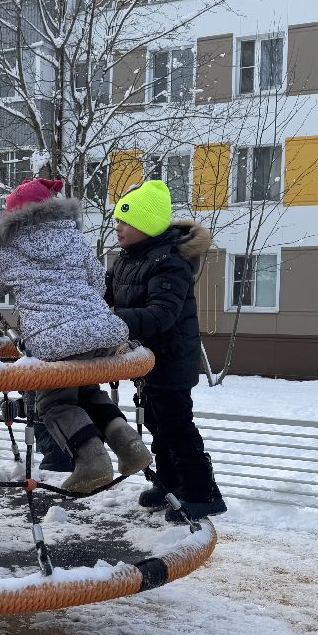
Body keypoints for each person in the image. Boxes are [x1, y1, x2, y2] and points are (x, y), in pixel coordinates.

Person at [0, 177, 154, 493]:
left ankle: (91, 462)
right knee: (86, 392)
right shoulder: (75, 239)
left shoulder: (9, 249)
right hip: (101, 330)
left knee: (54, 404)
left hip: (54, 338)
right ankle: (130, 446)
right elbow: (98, 284)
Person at [105, 179, 226, 521]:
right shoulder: (127, 260)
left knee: (177, 427)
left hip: (171, 360)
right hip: (147, 363)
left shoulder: (169, 263)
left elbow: (161, 314)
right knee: (158, 425)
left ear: (146, 225)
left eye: (126, 221)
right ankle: (170, 483)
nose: (119, 228)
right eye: (117, 220)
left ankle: (203, 492)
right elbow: (107, 297)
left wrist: (113, 321)